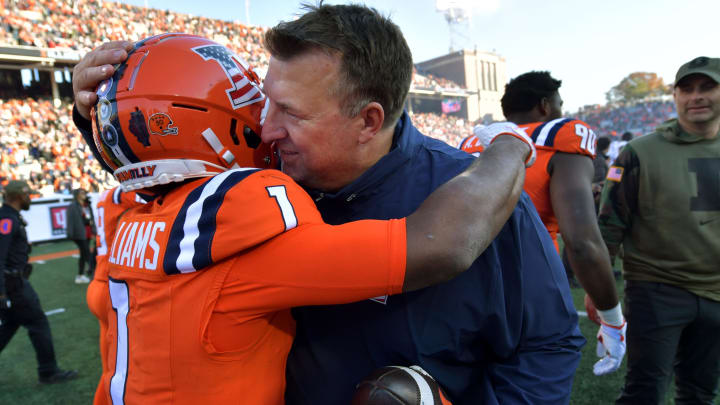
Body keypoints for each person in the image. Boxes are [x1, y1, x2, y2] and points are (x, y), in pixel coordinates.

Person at [71, 33, 534, 404]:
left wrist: (98, 118)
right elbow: (442, 244)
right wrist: (509, 145)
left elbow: (149, 160)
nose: (264, 126)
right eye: (250, 108)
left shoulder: (124, 209)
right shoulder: (243, 219)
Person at [258, 6, 580, 404]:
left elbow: (545, 346)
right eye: (267, 102)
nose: (266, 128)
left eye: (290, 112)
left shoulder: (491, 204)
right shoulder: (256, 186)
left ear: (368, 122)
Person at [462, 71, 626, 377]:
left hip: (465, 290)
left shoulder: (473, 140)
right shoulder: (561, 133)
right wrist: (613, 319)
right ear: (545, 106)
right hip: (531, 291)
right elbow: (581, 242)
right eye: (560, 104)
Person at [599, 56, 720, 404]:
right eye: (687, 88)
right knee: (645, 391)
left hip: (716, 291)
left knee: (700, 391)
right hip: (657, 289)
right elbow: (608, 226)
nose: (695, 96)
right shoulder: (640, 152)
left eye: (707, 87)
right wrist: (599, 291)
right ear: (676, 96)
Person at [0, 180, 78, 384]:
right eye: (27, 194)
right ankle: (48, 371)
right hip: (13, 284)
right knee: (38, 323)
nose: (30, 198)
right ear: (18, 196)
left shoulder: (10, 217)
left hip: (13, 282)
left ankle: (48, 370)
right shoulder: (7, 220)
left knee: (10, 324)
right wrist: (1, 292)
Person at [86, 186, 144, 405]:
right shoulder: (120, 192)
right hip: (113, 287)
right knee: (124, 371)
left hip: (98, 283)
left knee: (110, 369)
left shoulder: (105, 195)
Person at [65, 188, 95, 284]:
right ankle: (94, 273)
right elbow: (70, 221)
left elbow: (91, 218)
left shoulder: (87, 205)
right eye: (82, 193)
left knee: (83, 254)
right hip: (79, 234)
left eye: (84, 193)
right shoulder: (73, 206)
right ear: (77, 195)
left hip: (87, 232)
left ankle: (80, 276)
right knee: (87, 254)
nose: (84, 194)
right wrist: (70, 233)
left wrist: (94, 229)